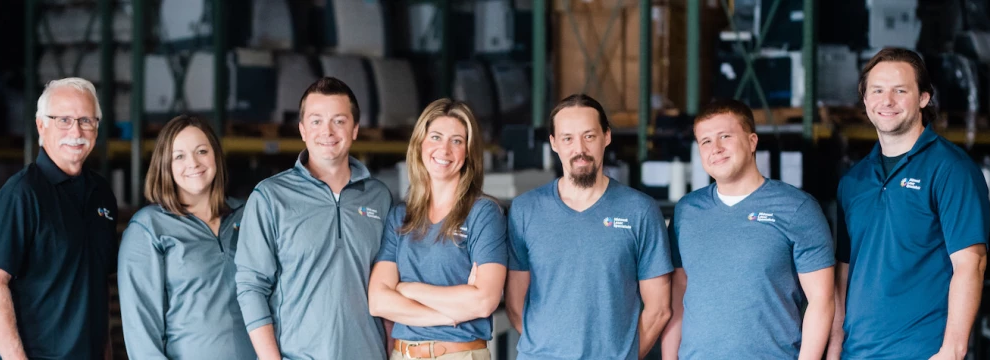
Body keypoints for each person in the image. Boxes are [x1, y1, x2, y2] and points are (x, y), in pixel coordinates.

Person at [829, 47, 990, 360]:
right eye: (877, 90)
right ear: (865, 99)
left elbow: (971, 263)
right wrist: (834, 349)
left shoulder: (951, 169)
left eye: (900, 90)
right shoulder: (853, 182)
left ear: (923, 98)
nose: (887, 101)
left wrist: (952, 351)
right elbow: (844, 274)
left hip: (922, 352)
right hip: (856, 353)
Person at [660, 99, 835, 359]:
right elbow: (678, 296)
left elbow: (822, 302)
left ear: (752, 141)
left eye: (725, 136)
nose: (715, 148)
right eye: (705, 141)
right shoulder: (687, 211)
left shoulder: (797, 208)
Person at [235, 77, 394, 360]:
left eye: (339, 121)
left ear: (355, 129)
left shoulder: (379, 198)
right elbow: (251, 286)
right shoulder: (271, 197)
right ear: (302, 130)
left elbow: (390, 283)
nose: (328, 131)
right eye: (316, 121)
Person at [505, 94, 672, 360]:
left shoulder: (640, 210)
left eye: (589, 136)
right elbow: (515, 305)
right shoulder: (526, 210)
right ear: (554, 143)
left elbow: (659, 309)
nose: (579, 149)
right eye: (567, 138)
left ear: (606, 136)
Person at [0, 77, 118, 359]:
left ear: (97, 127)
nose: (76, 130)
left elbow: (95, 285)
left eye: (86, 120)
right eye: (63, 120)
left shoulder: (101, 193)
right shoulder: (21, 195)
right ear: (41, 125)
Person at [367, 98, 507, 360]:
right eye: (436, 137)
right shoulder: (400, 217)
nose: (444, 149)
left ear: (468, 152)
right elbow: (378, 300)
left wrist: (407, 289)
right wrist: (448, 314)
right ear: (420, 144)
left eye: (457, 141)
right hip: (404, 355)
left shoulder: (483, 213)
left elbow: (484, 301)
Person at [117, 115, 253, 359]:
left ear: (216, 156)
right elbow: (142, 332)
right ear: (165, 165)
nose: (193, 162)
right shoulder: (149, 228)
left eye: (202, 151)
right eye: (179, 156)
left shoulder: (249, 216)